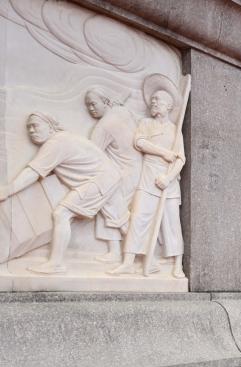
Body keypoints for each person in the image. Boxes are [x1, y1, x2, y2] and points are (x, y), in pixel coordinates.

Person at [0, 112, 129, 274]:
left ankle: (55, 263)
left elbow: (33, 172)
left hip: (99, 179)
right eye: (28, 128)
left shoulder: (55, 143)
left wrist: (8, 190)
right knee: (119, 218)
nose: (31, 131)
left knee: (62, 213)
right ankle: (128, 255)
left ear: (50, 126)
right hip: (109, 175)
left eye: (35, 125)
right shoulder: (64, 138)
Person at [110, 77, 186, 278]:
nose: (153, 103)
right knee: (139, 218)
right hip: (148, 178)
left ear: (168, 106)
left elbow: (180, 159)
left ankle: (176, 265)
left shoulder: (174, 130)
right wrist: (163, 152)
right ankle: (128, 261)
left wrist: (168, 178)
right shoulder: (145, 123)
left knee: (171, 224)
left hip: (168, 183)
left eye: (158, 100)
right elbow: (140, 143)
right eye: (152, 100)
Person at [85, 86, 140, 263]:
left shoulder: (103, 126)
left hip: (123, 174)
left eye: (93, 104)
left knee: (112, 208)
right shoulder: (123, 112)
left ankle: (130, 249)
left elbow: (90, 153)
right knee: (116, 210)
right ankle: (118, 251)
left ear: (106, 101)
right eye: (88, 106)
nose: (90, 109)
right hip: (136, 169)